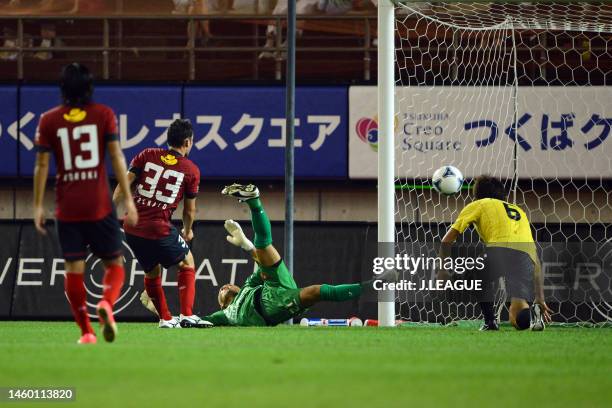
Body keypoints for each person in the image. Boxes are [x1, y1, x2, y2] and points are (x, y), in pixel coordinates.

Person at [33, 63, 138, 344]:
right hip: (98, 204)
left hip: (66, 208)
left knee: (73, 270)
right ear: (90, 87)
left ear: (63, 89)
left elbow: (41, 165)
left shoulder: (48, 120)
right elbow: (117, 157)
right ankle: (105, 303)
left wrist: (37, 206)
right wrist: (128, 198)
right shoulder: (103, 115)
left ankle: (87, 333)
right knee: (115, 262)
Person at [200, 183, 366, 326]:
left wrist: (247, 246)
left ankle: (254, 201)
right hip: (273, 307)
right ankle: (369, 287)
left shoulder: (248, 286)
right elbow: (203, 320)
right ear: (221, 305)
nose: (225, 286)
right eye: (221, 290)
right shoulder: (225, 315)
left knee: (263, 246)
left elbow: (261, 263)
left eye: (227, 285)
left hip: (273, 284)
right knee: (317, 291)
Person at [113, 119, 211, 329]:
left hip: (131, 226)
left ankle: (165, 318)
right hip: (158, 226)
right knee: (187, 262)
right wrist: (187, 230)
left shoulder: (146, 154)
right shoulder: (191, 170)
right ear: (187, 142)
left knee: (152, 271)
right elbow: (189, 209)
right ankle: (186, 315)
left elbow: (123, 185)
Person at [439, 176, 552, 331]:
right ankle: (532, 316)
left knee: (473, 277)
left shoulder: (480, 204)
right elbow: (536, 260)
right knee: (517, 316)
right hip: (525, 258)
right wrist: (540, 298)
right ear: (503, 195)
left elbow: (447, 240)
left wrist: (443, 270)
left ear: (477, 195)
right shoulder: (520, 212)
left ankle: (490, 322)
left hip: (500, 250)